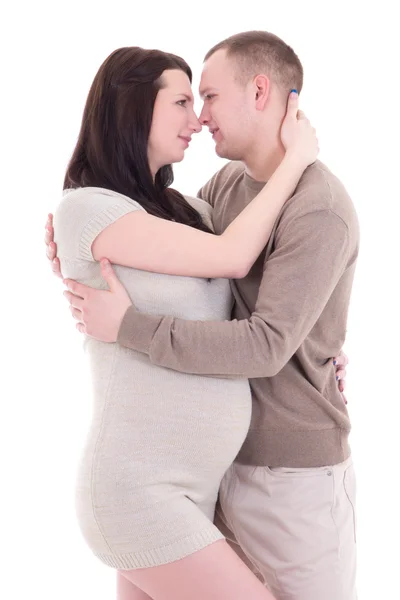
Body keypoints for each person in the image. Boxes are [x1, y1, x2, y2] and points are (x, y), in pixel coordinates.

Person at [47, 31, 358, 600]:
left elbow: (257, 307)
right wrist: (298, 160)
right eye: (185, 101)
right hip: (145, 490)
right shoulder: (105, 207)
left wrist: (320, 340)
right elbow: (232, 258)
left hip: (215, 487)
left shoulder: (194, 208)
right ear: (132, 107)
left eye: (205, 98)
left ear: (259, 92)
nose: (198, 118)